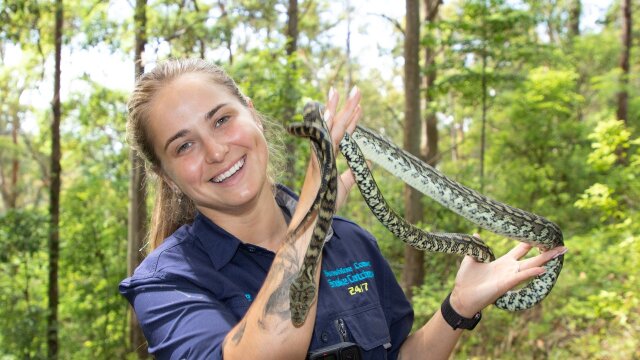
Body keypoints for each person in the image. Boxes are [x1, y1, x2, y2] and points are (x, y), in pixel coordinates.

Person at [119, 58, 567, 360]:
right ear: (166, 174)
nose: (216, 150)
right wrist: (315, 209)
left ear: (252, 114)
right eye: (184, 145)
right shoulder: (168, 284)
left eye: (222, 119)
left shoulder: (351, 240)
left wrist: (458, 306)